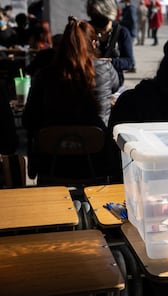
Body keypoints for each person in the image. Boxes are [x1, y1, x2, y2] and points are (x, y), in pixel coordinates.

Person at [22, 16, 120, 182]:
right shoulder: (105, 69)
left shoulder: (45, 74)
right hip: (96, 160)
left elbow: (28, 120)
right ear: (93, 44)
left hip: (52, 163)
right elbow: (116, 86)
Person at [87, 0, 134, 86]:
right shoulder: (86, 29)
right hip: (88, 80)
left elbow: (129, 62)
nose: (97, 23)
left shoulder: (122, 32)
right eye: (95, 16)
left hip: (112, 81)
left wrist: (108, 62)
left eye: (100, 16)